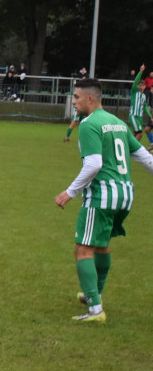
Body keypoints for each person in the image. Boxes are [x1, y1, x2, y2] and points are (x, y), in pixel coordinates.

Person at [55, 78, 153, 322]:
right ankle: (94, 294)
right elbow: (146, 159)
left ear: (90, 98)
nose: (74, 102)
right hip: (125, 195)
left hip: (102, 195)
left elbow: (94, 164)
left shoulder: (89, 124)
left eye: (76, 97)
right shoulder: (118, 123)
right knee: (101, 245)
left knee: (82, 249)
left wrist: (70, 192)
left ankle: (95, 309)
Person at [125, 64, 151, 142]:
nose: (140, 86)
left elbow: (145, 106)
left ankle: (127, 146)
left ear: (145, 87)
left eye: (142, 85)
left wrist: (150, 116)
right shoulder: (134, 92)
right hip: (134, 116)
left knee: (135, 134)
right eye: (139, 85)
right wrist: (141, 71)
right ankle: (135, 150)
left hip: (139, 117)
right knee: (139, 134)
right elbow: (136, 81)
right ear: (137, 86)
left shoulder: (143, 96)